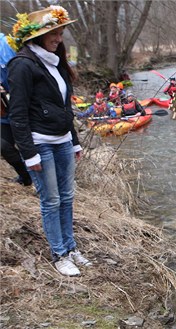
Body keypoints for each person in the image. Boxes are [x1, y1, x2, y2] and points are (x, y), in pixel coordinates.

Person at [7, 5, 92, 276]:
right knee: (51, 200)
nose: (59, 38)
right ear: (36, 37)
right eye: (53, 33)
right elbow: (17, 113)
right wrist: (29, 153)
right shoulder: (22, 65)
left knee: (67, 197)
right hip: (40, 143)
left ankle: (71, 247)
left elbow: (65, 107)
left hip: (64, 141)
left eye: (61, 32)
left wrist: (75, 140)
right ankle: (58, 254)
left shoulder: (58, 62)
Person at [1, 82, 32, 186]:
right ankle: (25, 176)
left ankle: (41, 182)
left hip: (27, 115)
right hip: (4, 117)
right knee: (3, 146)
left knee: (32, 148)